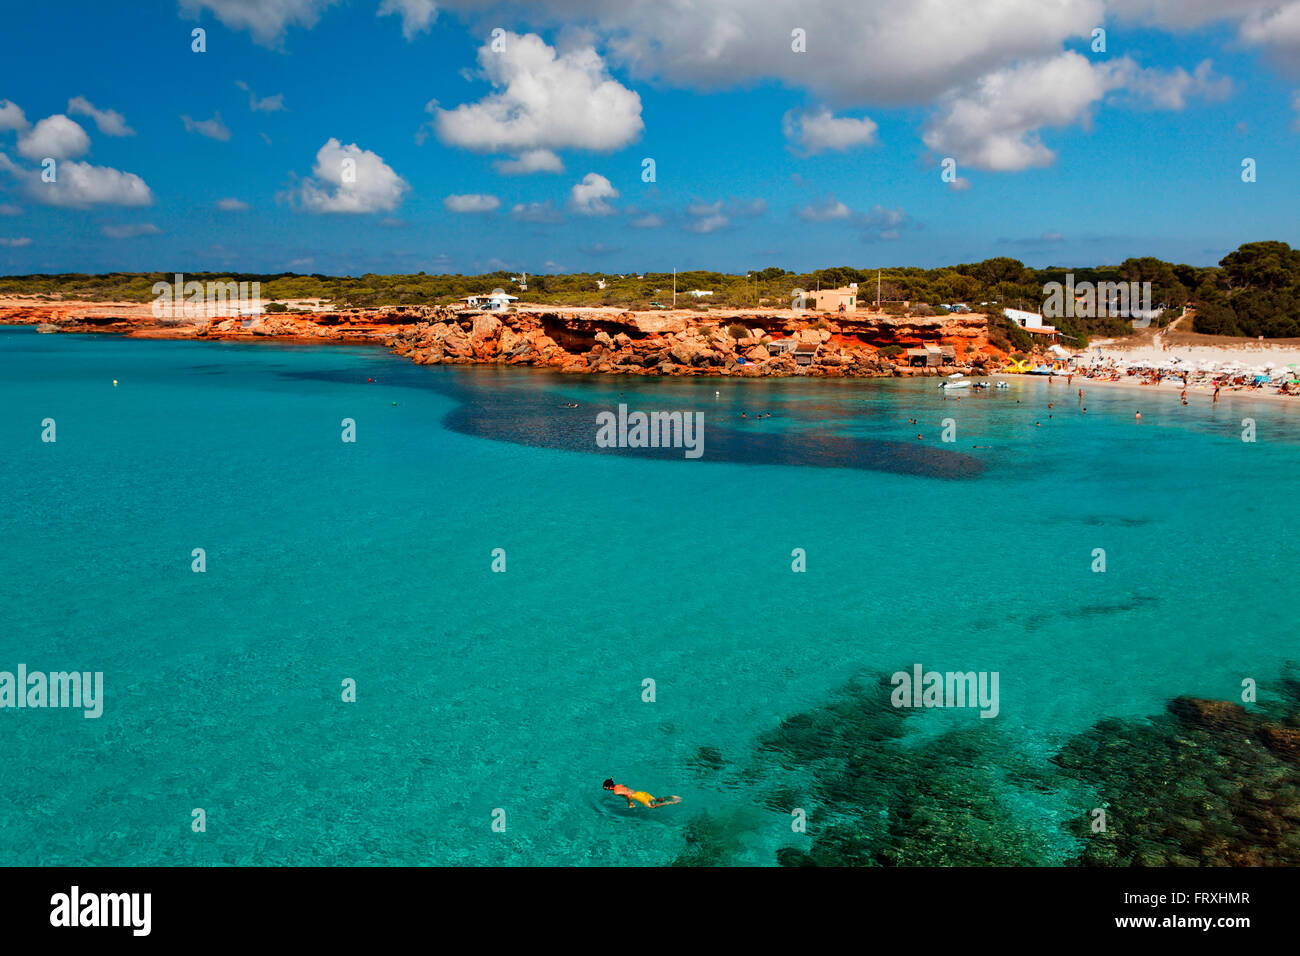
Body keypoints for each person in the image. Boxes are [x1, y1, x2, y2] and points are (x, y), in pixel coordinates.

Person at [603, 779, 680, 809]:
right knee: (655, 799)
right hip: (640, 792)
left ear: (609, 787)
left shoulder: (615, 792)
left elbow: (628, 795)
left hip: (637, 796)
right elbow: (626, 787)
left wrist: (630, 803)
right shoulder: (619, 785)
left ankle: (672, 802)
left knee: (653, 806)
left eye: (606, 788)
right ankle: (670, 797)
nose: (606, 790)